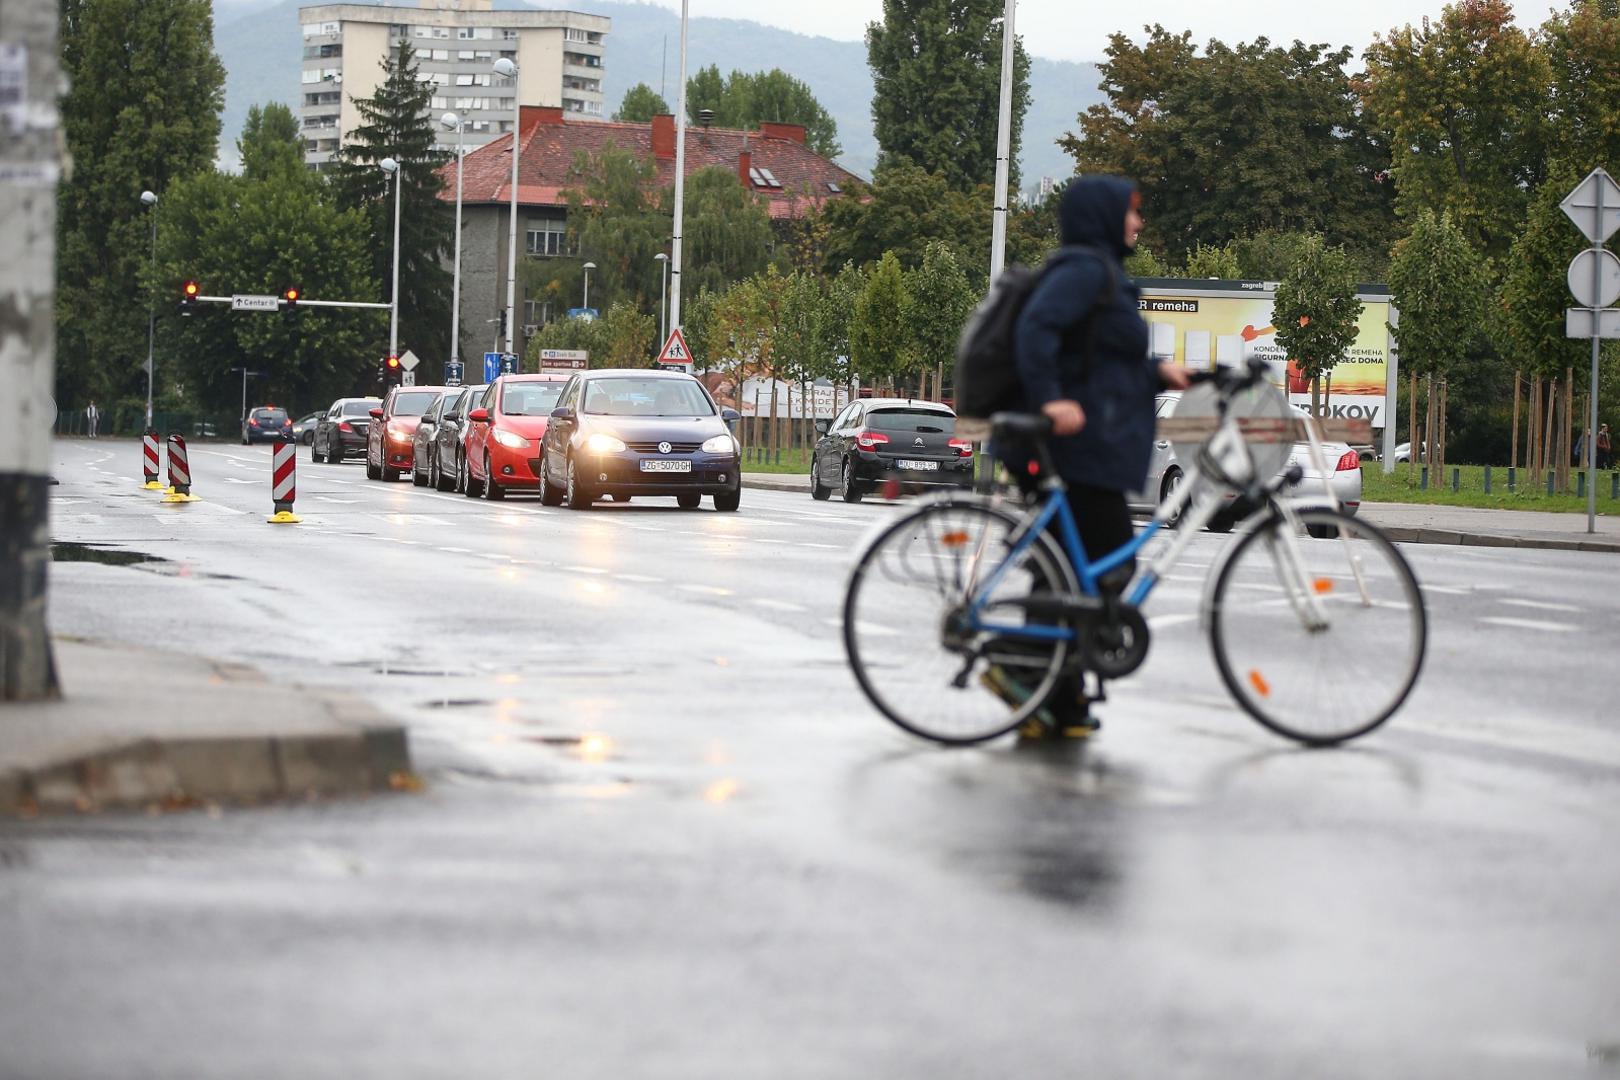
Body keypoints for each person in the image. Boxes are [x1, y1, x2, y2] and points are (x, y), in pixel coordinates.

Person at [985, 176, 1190, 741]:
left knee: (1074, 568)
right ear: (1102, 216)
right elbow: (1037, 330)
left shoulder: (1102, 273)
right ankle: (1026, 671)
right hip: (1070, 450)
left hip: (1088, 450)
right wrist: (1052, 398)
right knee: (1102, 566)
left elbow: (1099, 362)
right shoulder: (1084, 271)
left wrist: (1159, 372)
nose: (1138, 223)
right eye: (1131, 212)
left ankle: (1061, 695)